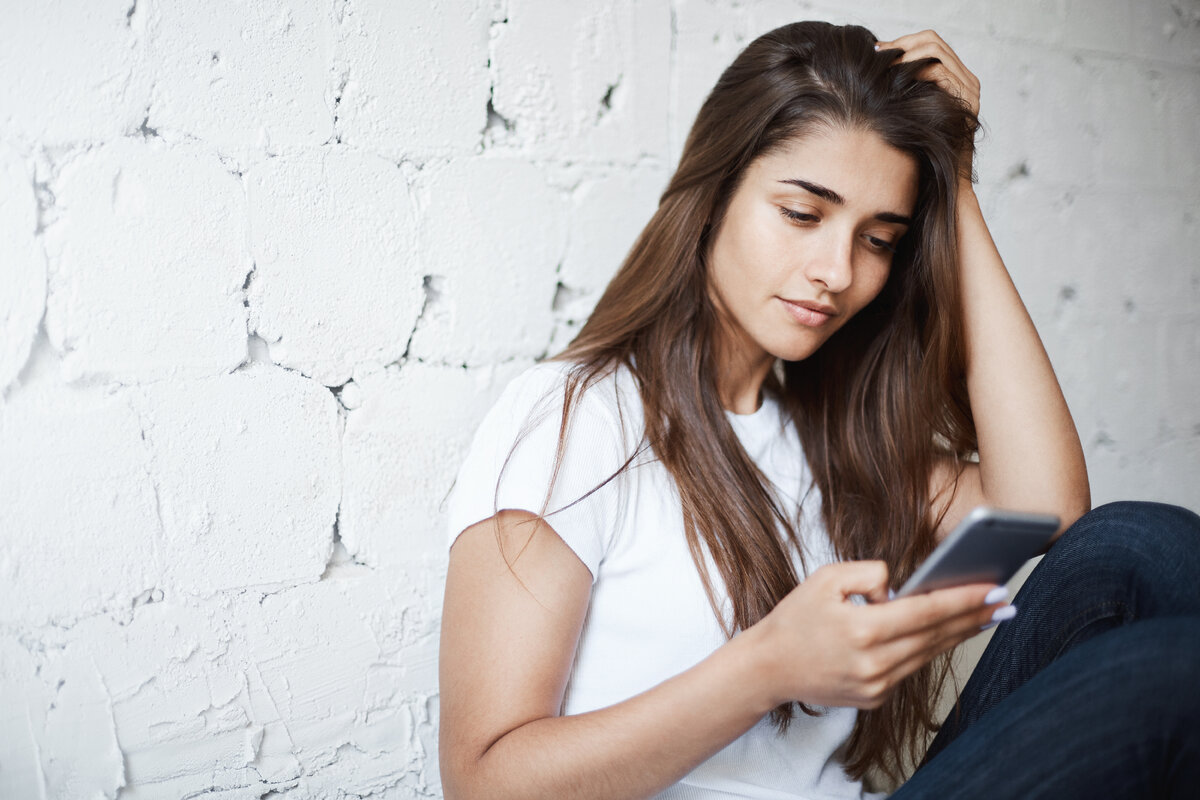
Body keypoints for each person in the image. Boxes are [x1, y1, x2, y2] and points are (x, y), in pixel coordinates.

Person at [438, 21, 1200, 799]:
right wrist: (768, 667)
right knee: (1170, 680)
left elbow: (1047, 511)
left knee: (1143, 543)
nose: (838, 271)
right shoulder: (575, 421)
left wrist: (957, 185)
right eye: (803, 215)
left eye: (877, 239)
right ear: (712, 195)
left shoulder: (825, 436)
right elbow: (483, 783)